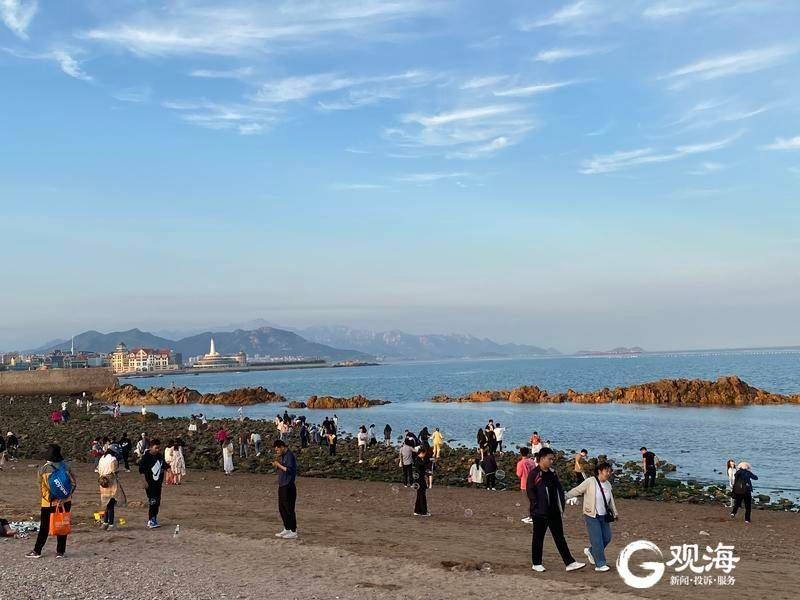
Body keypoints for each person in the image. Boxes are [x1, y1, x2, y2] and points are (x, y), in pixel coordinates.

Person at [527, 447, 585, 573]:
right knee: (538, 538)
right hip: (540, 512)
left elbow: (558, 489)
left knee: (560, 537)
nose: (552, 461)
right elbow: (531, 493)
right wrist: (536, 507)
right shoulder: (534, 474)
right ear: (542, 459)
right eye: (550, 459)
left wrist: (564, 500)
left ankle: (570, 562)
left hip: (555, 511)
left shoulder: (552, 473)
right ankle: (536, 563)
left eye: (553, 459)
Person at [565, 461, 618, 572]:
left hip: (604, 516)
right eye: (606, 471)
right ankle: (600, 564)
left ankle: (591, 551)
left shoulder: (608, 484)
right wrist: (564, 496)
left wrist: (615, 512)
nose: (608, 473)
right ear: (599, 471)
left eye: (610, 471)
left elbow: (610, 500)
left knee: (607, 537)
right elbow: (577, 490)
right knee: (597, 539)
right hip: (591, 515)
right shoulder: (590, 482)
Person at [27, 444, 76, 558]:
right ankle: (60, 552)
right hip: (65, 502)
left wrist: (49, 498)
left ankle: (37, 551)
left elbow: (42, 489)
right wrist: (65, 497)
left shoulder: (43, 469)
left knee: (44, 527)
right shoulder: (66, 467)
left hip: (48, 503)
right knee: (62, 526)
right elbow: (73, 484)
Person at [273, 440, 298, 539]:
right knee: (282, 508)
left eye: (277, 449)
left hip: (289, 486)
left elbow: (290, 470)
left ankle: (293, 530)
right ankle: (287, 528)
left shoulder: (290, 455)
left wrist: (279, 465)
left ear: (282, 447)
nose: (277, 452)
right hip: (282, 485)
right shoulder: (284, 456)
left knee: (289, 509)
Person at [139, 439, 166, 529]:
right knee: (153, 501)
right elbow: (141, 470)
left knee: (157, 502)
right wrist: (144, 481)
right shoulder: (146, 457)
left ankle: (154, 518)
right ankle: (150, 520)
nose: (158, 450)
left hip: (158, 483)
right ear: (150, 447)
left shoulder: (159, 456)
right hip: (149, 483)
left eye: (159, 448)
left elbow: (164, 465)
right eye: (156, 448)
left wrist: (169, 469)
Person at [98, 444, 125, 531]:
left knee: (106, 503)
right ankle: (111, 524)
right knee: (111, 503)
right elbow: (114, 471)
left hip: (102, 482)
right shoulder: (113, 459)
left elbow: (98, 470)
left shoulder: (102, 458)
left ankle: (105, 523)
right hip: (111, 482)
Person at [516, 447, 537, 524]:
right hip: (533, 483)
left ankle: (531, 517)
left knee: (528, 501)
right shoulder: (532, 461)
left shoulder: (520, 463)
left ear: (521, 453)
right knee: (533, 500)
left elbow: (519, 474)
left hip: (525, 484)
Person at [412, 447, 431, 517]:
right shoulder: (418, 460)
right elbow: (421, 466)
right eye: (424, 454)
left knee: (419, 495)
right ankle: (423, 512)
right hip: (420, 480)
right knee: (422, 495)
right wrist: (427, 461)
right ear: (421, 453)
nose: (425, 455)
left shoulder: (418, 459)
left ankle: (417, 511)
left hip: (418, 480)